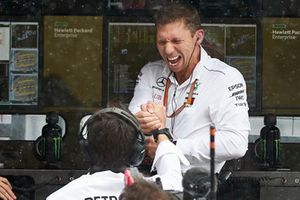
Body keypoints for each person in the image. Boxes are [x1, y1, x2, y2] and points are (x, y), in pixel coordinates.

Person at [128, 2, 250, 173]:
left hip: (198, 186)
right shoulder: (150, 72)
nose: (168, 50)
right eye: (162, 42)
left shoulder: (225, 77)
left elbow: (236, 143)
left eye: (176, 41)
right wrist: (144, 121)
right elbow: (133, 119)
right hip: (152, 181)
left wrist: (172, 147)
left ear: (198, 37)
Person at [46, 107, 189, 200]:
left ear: (86, 150)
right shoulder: (156, 192)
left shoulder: (61, 197)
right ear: (137, 152)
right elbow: (171, 166)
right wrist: (160, 130)